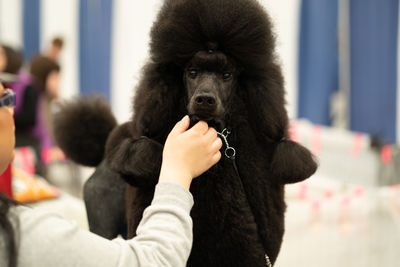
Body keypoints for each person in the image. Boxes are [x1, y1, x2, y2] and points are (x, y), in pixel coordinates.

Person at [0, 81, 223, 267]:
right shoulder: (20, 234)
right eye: (4, 101)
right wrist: (178, 172)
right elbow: (153, 261)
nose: (11, 110)